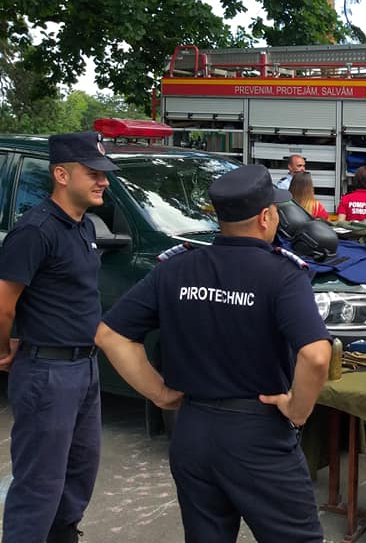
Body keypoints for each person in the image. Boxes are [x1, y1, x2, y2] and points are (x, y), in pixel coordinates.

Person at [95, 165, 332, 542]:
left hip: (192, 431)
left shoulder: (176, 268)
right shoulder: (282, 275)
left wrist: (159, 393)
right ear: (266, 217)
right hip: (259, 436)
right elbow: (317, 355)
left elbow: (110, 335)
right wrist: (298, 409)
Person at [0, 132, 118, 543]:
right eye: (93, 173)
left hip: (84, 368)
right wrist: (4, 348)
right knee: (39, 484)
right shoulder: (35, 230)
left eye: (104, 173)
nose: (103, 181)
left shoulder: (83, 226)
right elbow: (3, 303)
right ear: (62, 174)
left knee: (80, 472)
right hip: (47, 373)